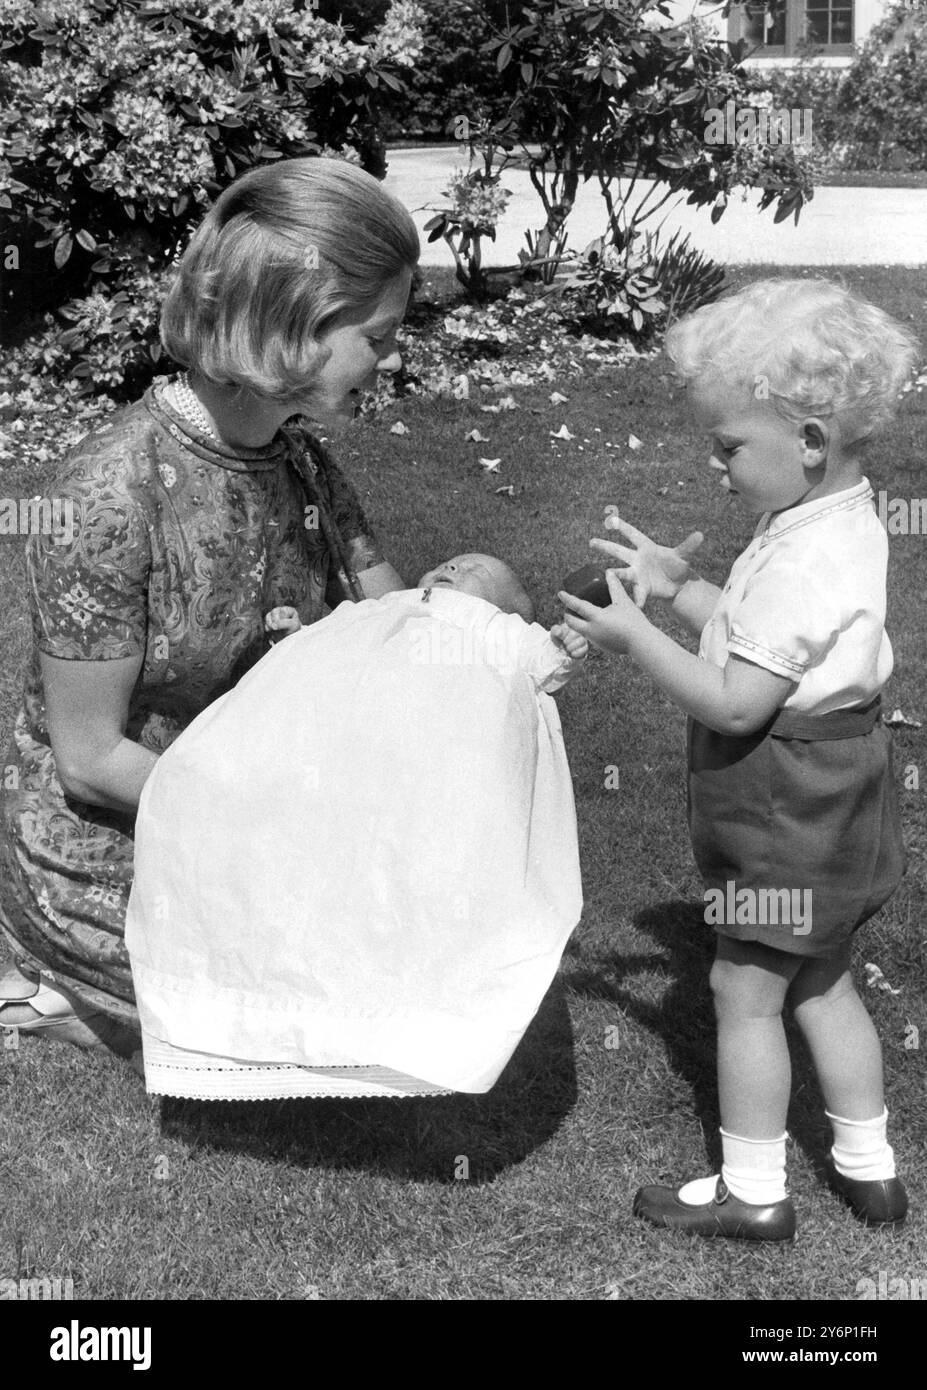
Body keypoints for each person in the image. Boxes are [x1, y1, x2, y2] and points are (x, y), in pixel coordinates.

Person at [0, 156, 420, 1058]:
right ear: (290, 328)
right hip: (123, 837)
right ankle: (51, 983)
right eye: (378, 335)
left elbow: (400, 633)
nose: (392, 357)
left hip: (255, 811)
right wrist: (275, 831)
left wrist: (505, 646)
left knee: (408, 953)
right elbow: (87, 762)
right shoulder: (104, 498)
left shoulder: (299, 461)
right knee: (323, 1013)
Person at [559, 279, 919, 1239]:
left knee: (741, 989)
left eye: (728, 447)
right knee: (821, 974)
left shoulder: (800, 558)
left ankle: (752, 1191)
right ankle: (867, 1167)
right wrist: (679, 589)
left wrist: (636, 637)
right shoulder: (834, 521)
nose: (714, 465)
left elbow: (735, 696)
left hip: (779, 810)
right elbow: (763, 638)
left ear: (806, 437)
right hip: (840, 797)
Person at [124, 554, 587, 1099]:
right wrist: (299, 637)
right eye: (447, 563)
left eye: (473, 570)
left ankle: (395, 1028)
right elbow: (329, 650)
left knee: (409, 855)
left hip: (426, 748)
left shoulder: (497, 630)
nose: (450, 569)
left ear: (511, 608)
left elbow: (546, 666)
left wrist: (566, 647)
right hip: (345, 738)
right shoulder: (384, 608)